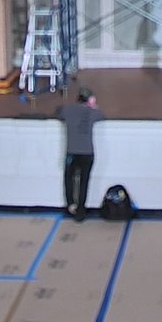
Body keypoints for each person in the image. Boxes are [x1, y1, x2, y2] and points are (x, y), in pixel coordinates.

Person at [55, 86, 105, 222]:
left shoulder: (67, 110)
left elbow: (58, 113)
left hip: (71, 152)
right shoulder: (92, 112)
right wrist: (93, 106)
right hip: (87, 153)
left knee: (69, 179)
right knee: (84, 182)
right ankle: (81, 211)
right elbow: (102, 115)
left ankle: (71, 205)